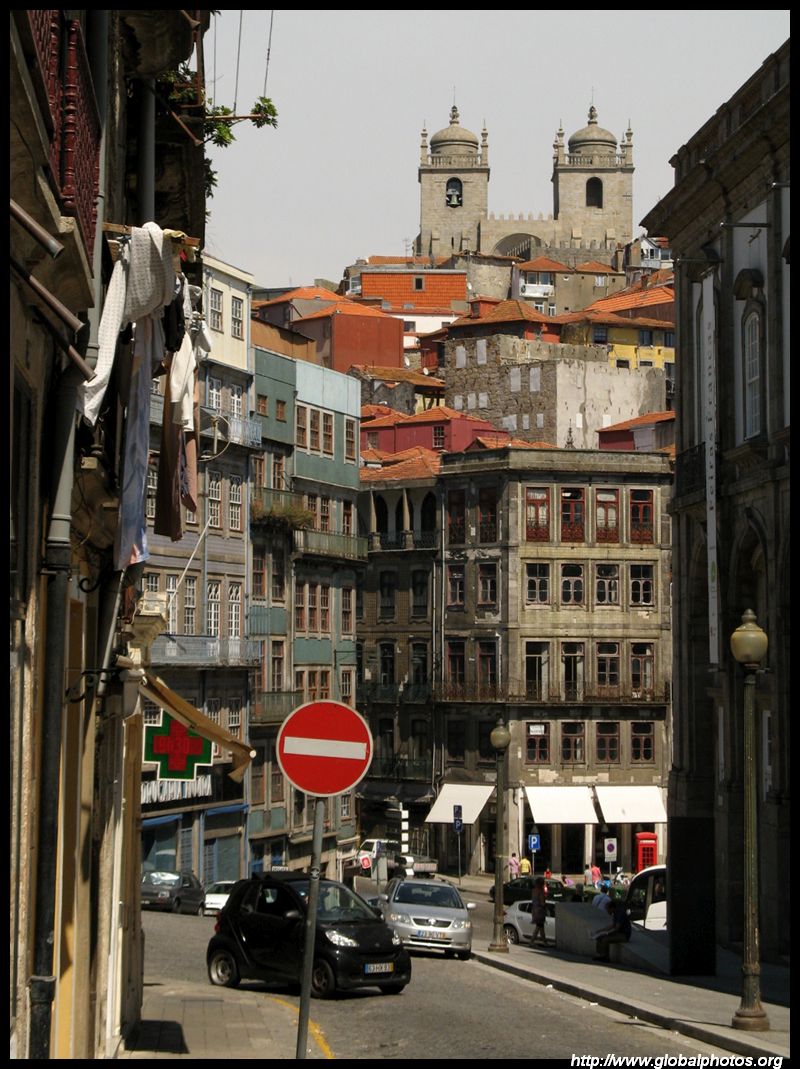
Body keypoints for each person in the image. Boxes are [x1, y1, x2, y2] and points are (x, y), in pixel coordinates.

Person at [530, 876, 548, 945]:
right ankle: (532, 941)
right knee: (539, 926)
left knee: (541, 927)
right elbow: (542, 903)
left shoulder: (533, 891)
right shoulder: (540, 891)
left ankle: (544, 941)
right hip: (540, 911)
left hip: (534, 910)